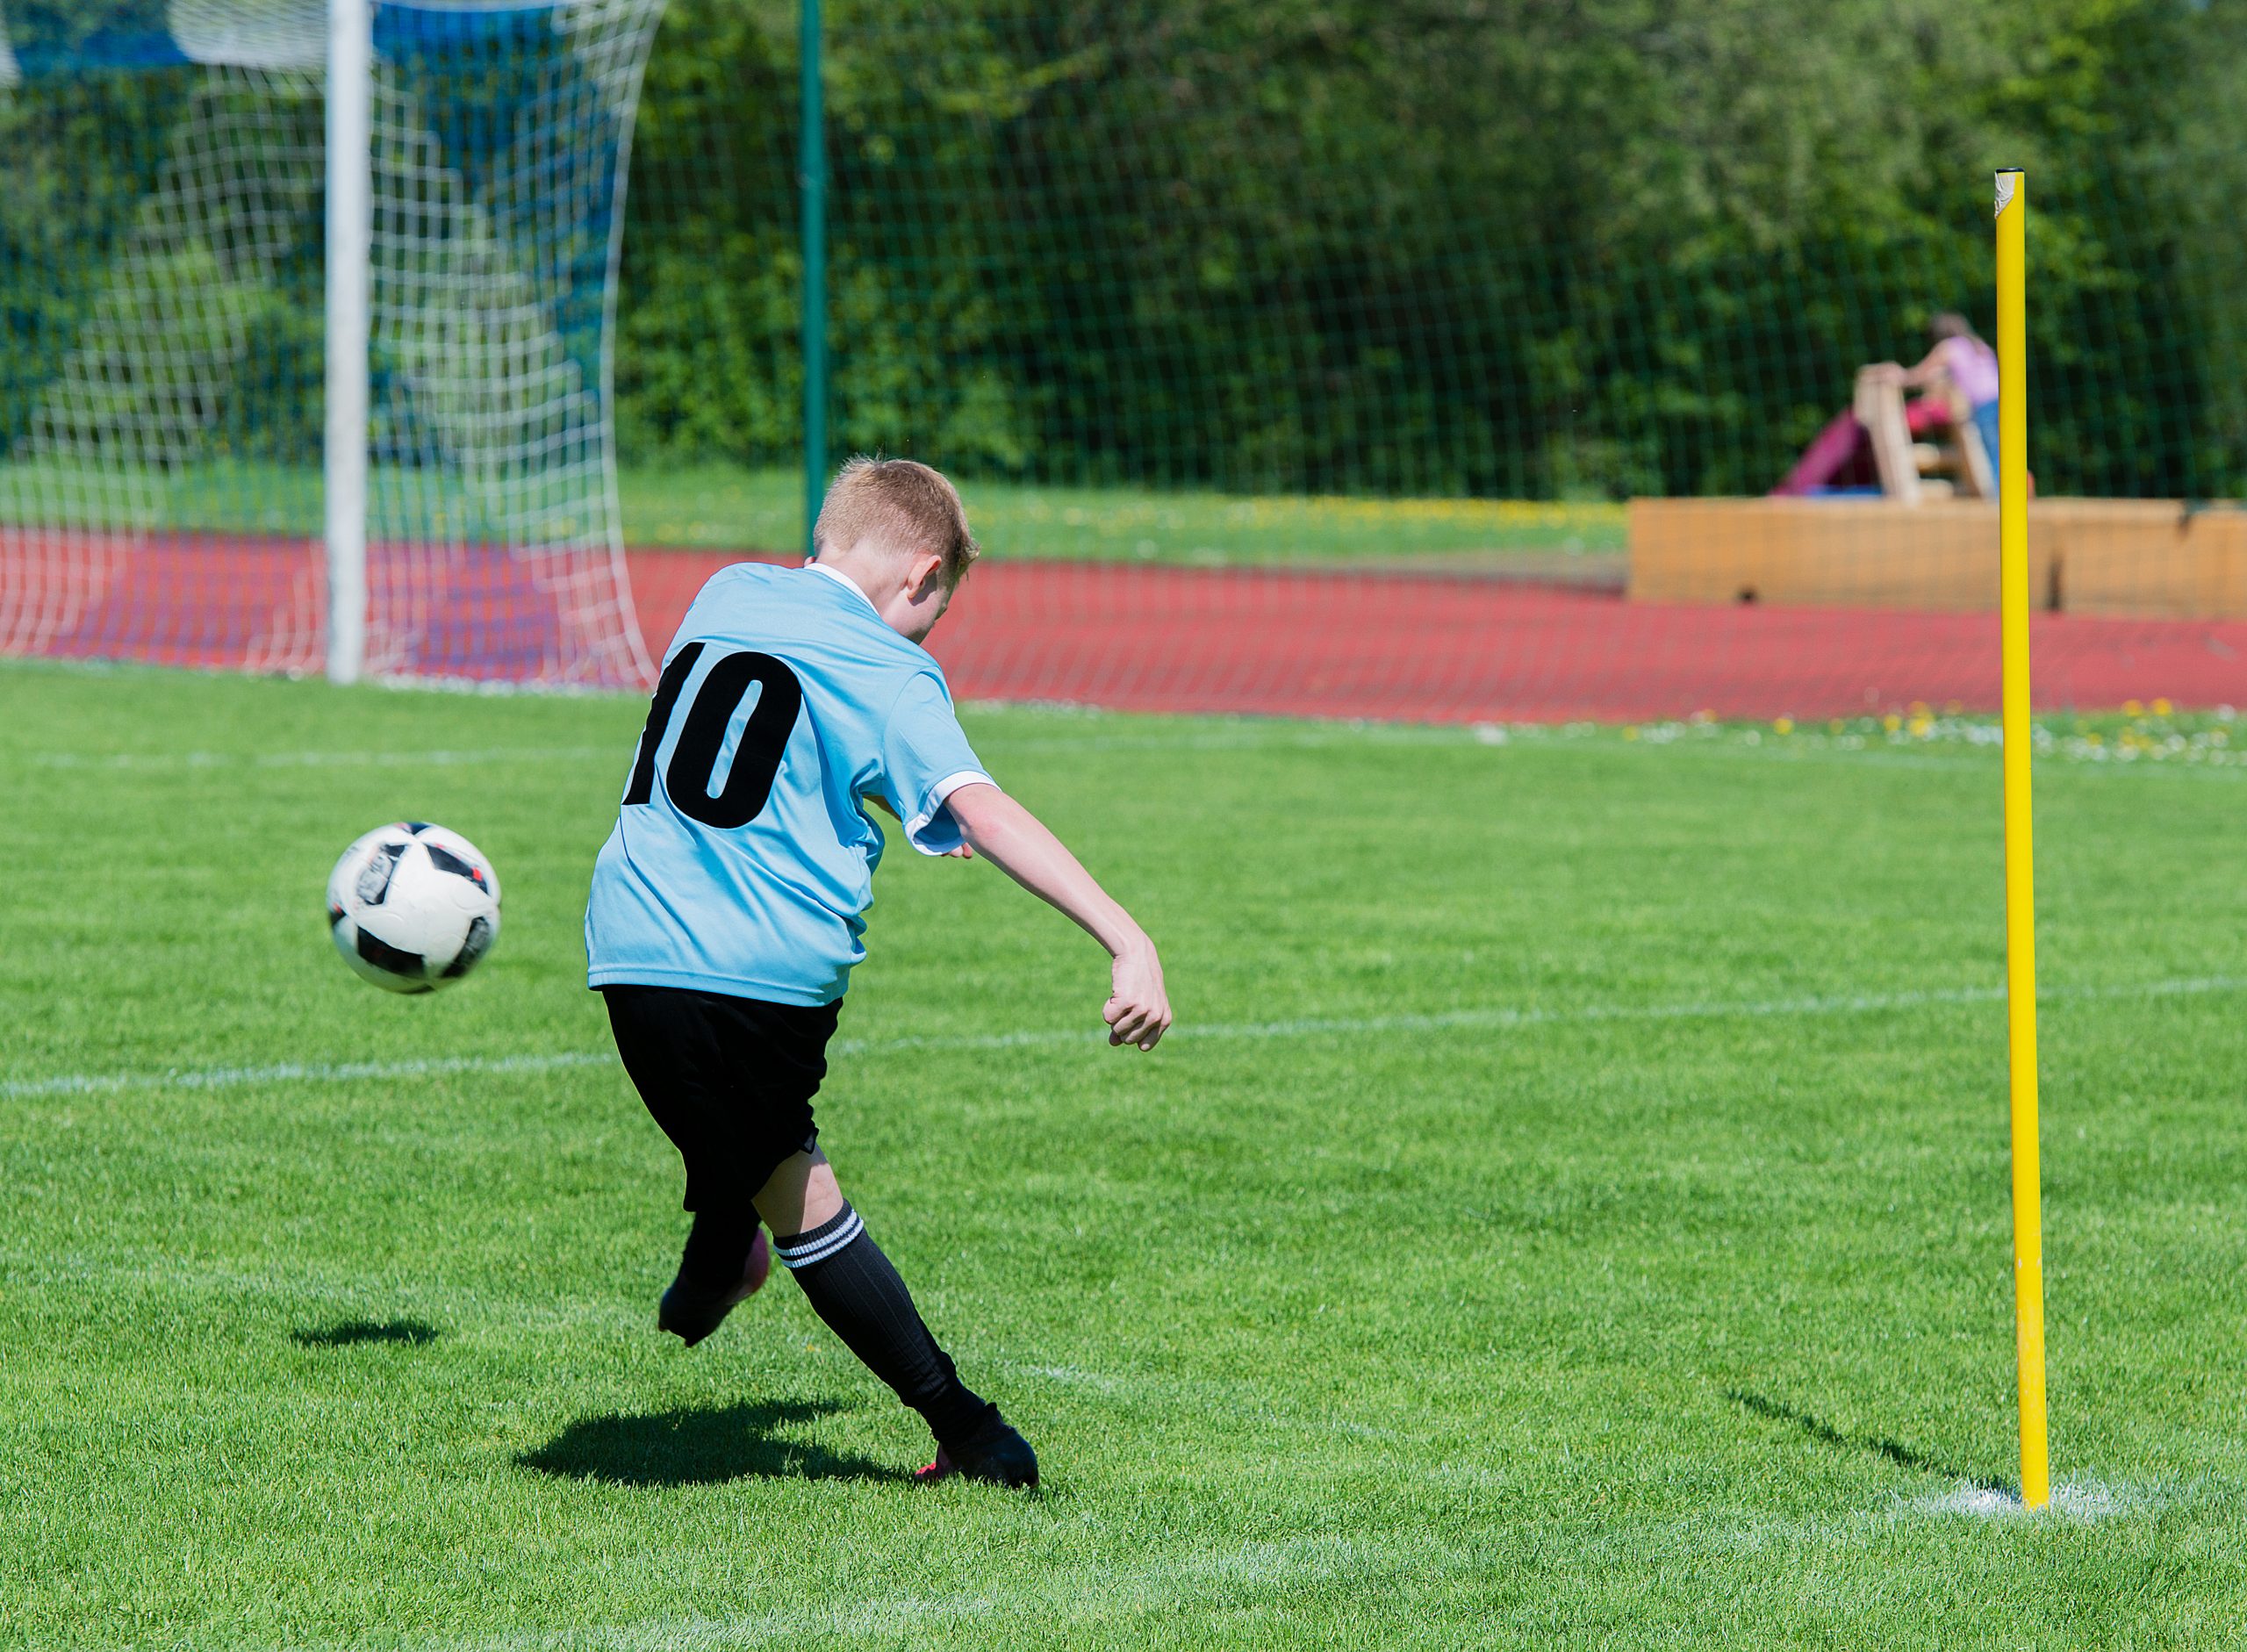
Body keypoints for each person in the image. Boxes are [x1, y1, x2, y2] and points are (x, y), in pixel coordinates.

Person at [584, 456, 1171, 1490]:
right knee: (798, 1190)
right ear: (922, 574)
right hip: (759, 969)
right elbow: (983, 810)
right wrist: (1128, 938)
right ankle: (973, 1432)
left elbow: (763, 736)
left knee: (741, 1131)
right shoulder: (893, 672)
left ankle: (720, 1251)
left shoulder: (726, 592)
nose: (927, 634)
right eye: (936, 611)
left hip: (628, 940)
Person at [1895, 312, 2000, 471]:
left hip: (1981, 404)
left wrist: (1901, 376)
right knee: (2000, 447)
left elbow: (1921, 374)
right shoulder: (1978, 344)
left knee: (1988, 451)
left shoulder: (1949, 347)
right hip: (1999, 399)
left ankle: (1996, 486)